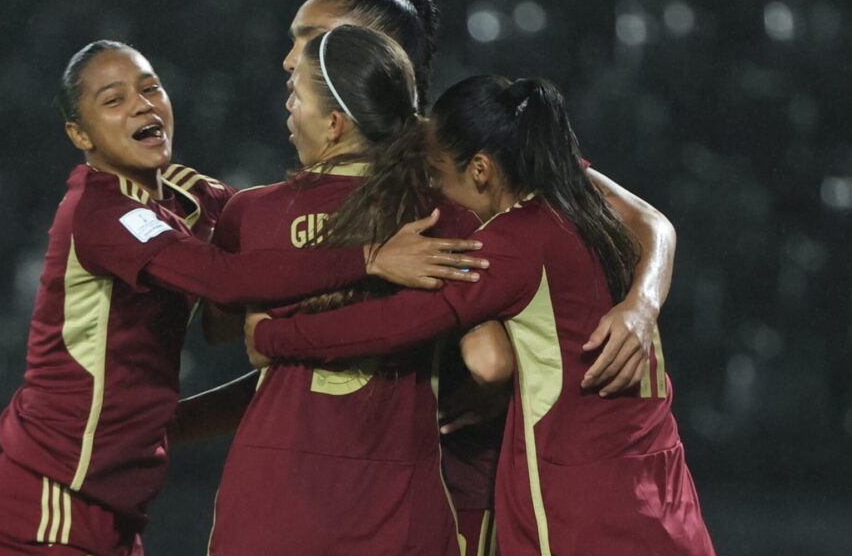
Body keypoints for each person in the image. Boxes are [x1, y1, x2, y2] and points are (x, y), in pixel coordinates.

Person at [182, 0, 678, 556]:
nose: (292, 59)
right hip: (349, 484)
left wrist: (641, 303)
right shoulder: (320, 182)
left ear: (379, 51)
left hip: (461, 479)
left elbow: (648, 222)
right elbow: (294, 367)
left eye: (315, 40)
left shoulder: (469, 150)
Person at [0, 39, 487, 556]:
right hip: (51, 499)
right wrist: (369, 257)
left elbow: (276, 237)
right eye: (114, 99)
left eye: (151, 88)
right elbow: (224, 280)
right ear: (79, 134)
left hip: (117, 506)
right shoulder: (101, 212)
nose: (143, 104)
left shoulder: (191, 194)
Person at [246, 76, 716, 556]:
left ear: (479, 170)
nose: (436, 187)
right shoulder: (586, 202)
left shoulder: (512, 244)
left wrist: (277, 335)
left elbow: (390, 324)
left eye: (438, 171)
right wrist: (642, 303)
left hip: (581, 507)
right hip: (664, 492)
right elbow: (654, 222)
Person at [205, 25, 477, 556]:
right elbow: (490, 355)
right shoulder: (449, 217)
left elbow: (219, 329)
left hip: (272, 498)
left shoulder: (251, 215)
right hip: (398, 500)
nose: (288, 112)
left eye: (295, 96)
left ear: (333, 123)